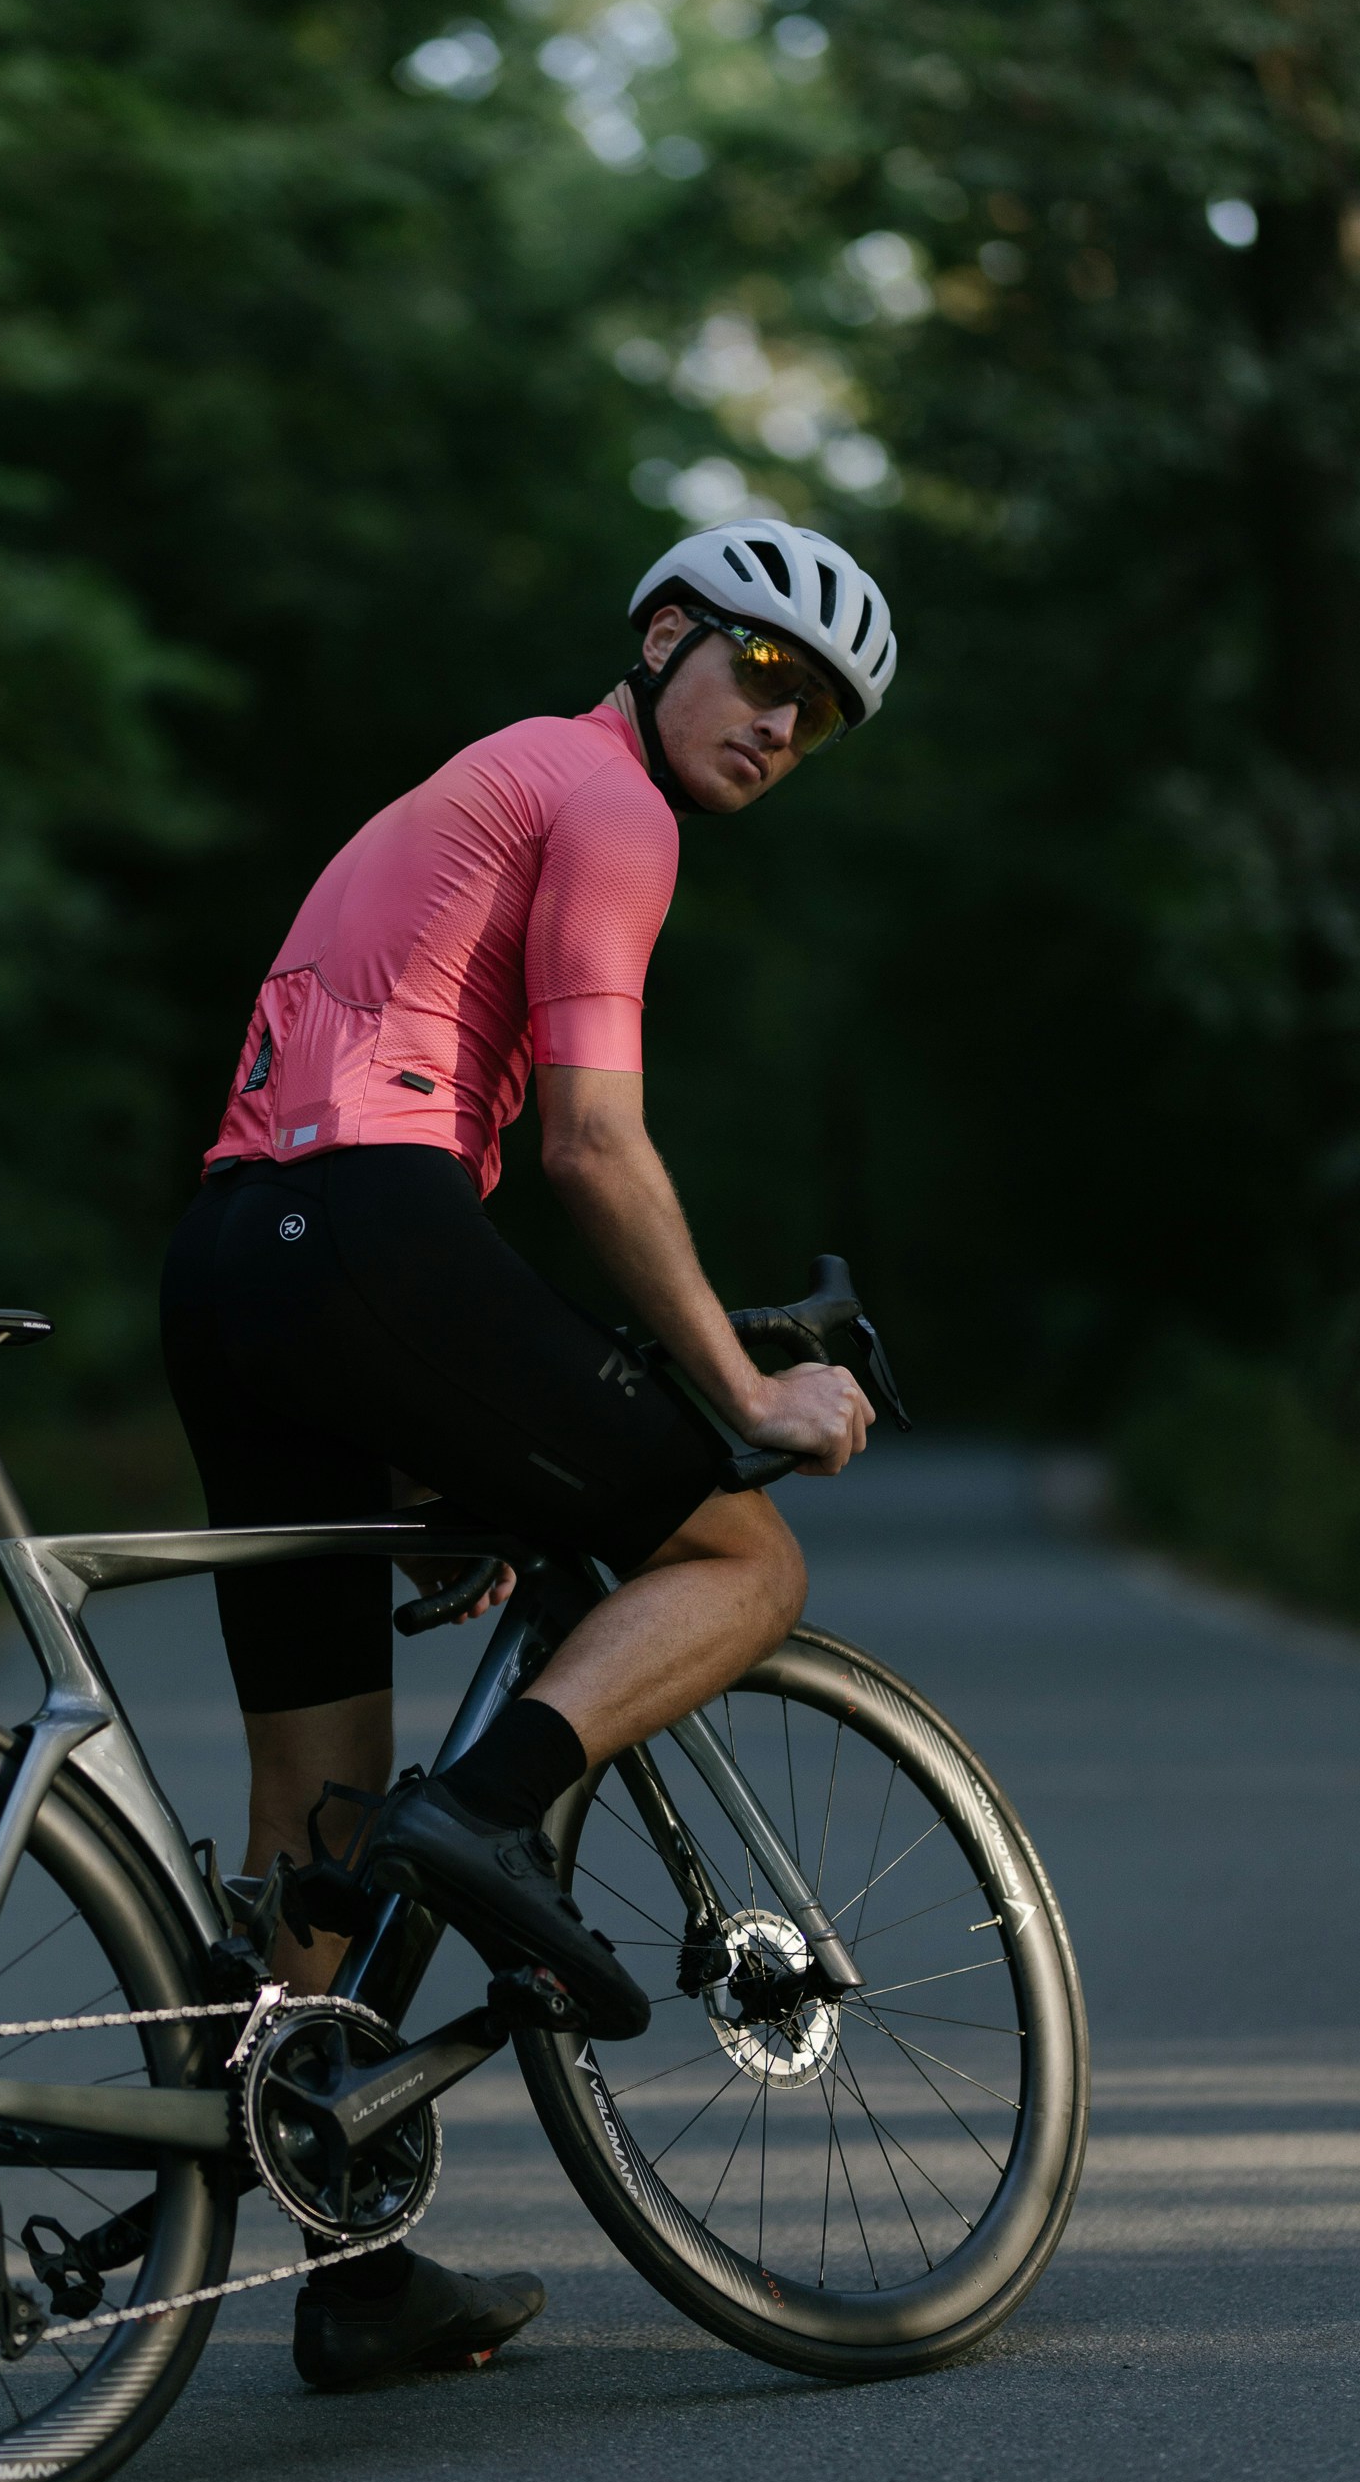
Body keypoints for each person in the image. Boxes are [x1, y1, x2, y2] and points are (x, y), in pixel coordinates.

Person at [161, 519, 895, 2388]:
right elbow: (588, 1146)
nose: (785, 727)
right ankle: (493, 1815)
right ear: (663, 637)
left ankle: (335, 2261)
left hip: (237, 1259)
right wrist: (746, 1391)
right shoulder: (606, 794)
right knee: (745, 1559)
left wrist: (448, 1464)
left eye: (821, 719)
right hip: (371, 1226)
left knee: (314, 1839)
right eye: (767, 673)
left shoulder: (496, 775)